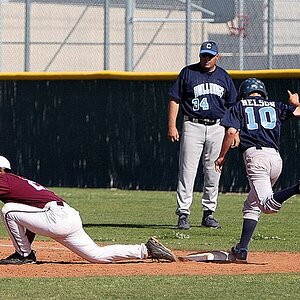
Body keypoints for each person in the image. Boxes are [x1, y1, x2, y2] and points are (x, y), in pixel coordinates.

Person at [0, 156, 177, 264]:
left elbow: (19, 216)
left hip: (54, 217)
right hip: (65, 216)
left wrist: (25, 251)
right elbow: (29, 221)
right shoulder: (14, 181)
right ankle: (146, 250)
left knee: (8, 210)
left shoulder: (4, 180)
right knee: (96, 255)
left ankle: (23, 255)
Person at [215, 77, 300, 263]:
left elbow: (230, 132)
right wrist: (296, 103)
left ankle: (297, 188)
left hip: (256, 158)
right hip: (276, 159)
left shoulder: (239, 106)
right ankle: (242, 249)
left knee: (267, 206)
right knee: (252, 205)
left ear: (243, 92)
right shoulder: (274, 105)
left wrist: (221, 156)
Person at [168, 40, 238, 230]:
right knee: (187, 171)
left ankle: (209, 213)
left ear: (218, 56)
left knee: (214, 171)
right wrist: (172, 125)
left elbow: (232, 106)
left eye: (210, 55)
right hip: (192, 124)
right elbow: (175, 99)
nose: (206, 59)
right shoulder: (188, 73)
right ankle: (183, 213)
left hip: (217, 127)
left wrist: (234, 130)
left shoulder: (224, 76)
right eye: (203, 55)